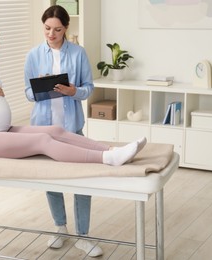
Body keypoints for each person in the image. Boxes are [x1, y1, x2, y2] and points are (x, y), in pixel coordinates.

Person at [0, 20, 146, 257]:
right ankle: (107, 158)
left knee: (54, 131)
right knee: (43, 142)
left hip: (3, 130)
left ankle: (112, 149)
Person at [23, 5, 139, 257]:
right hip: (43, 131)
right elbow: (28, 93)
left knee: (82, 183)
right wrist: (41, 87)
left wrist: (74, 91)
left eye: (57, 29)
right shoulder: (33, 55)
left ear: (66, 29)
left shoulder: (77, 53)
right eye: (46, 29)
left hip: (72, 128)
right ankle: (60, 228)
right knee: (51, 182)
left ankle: (83, 236)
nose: (51, 34)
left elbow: (89, 88)